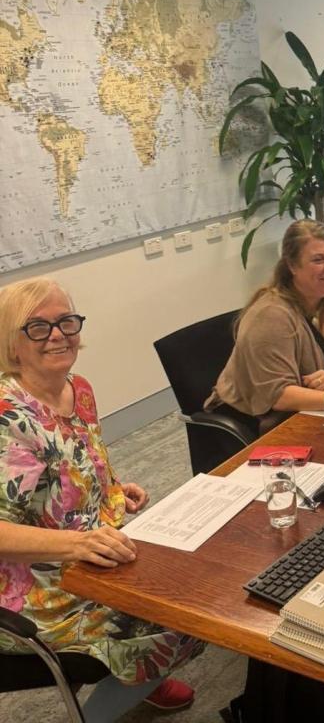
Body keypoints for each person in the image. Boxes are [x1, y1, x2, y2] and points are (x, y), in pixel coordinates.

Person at [0, 278, 204, 722]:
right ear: (12, 343)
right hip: (32, 587)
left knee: (196, 577)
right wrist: (79, 543)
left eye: (66, 321)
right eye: (37, 327)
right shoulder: (8, 417)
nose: (58, 335)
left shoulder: (79, 388)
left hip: (90, 549)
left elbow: (75, 463)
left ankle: (138, 678)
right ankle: (118, 695)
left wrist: (111, 488)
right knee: (177, 619)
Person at [206, 219, 324, 431]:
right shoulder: (270, 315)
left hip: (319, 407)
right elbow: (277, 395)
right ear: (292, 266)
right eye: (318, 260)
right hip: (261, 418)